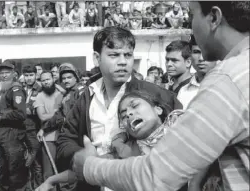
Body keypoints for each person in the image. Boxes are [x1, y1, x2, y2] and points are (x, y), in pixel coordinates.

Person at [72, 2, 250, 191]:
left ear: (214, 18)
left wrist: (89, 167)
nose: (191, 26)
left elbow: (157, 176)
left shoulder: (227, 81)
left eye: (192, 15)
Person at [56, 26, 182, 191]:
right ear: (96, 58)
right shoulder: (86, 97)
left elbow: (184, 139)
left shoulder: (155, 94)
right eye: (114, 55)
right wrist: (81, 157)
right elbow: (65, 140)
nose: (123, 61)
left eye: (128, 55)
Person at [0, 60, 28, 191]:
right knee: (4, 170)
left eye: (7, 72)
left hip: (13, 135)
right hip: (4, 135)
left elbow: (21, 114)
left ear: (14, 74)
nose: (4, 75)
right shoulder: (3, 90)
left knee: (15, 171)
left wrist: (0, 117)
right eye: (1, 73)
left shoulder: (15, 89)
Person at [34, 71, 63, 181]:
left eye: (48, 79)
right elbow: (41, 116)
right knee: (49, 172)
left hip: (63, 136)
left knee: (62, 169)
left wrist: (57, 115)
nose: (46, 82)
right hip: (48, 137)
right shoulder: (40, 96)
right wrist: (59, 113)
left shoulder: (61, 94)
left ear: (53, 79)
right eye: (43, 80)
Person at [177, 35, 217, 110]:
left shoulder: (228, 87)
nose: (201, 58)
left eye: (207, 52)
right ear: (190, 56)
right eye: (196, 52)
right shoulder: (183, 91)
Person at [22, 65, 43, 190]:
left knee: (36, 161)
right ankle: (28, 188)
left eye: (31, 75)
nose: (29, 78)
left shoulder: (40, 89)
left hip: (34, 129)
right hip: (21, 129)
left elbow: (36, 110)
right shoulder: (20, 88)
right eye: (26, 75)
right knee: (24, 160)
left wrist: (21, 110)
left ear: (36, 75)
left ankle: (39, 187)